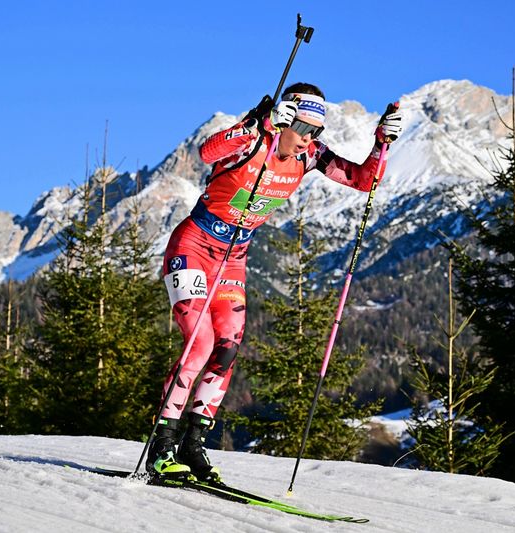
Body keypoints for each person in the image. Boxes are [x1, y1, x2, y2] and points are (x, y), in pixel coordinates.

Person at [147, 82, 403, 480]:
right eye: (303, 128)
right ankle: (161, 446)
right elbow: (205, 153)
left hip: (233, 259)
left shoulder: (310, 155)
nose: (308, 139)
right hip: (193, 247)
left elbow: (364, 180)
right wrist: (254, 124)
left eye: (316, 132)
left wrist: (380, 142)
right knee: (200, 344)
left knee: (228, 348)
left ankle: (193, 445)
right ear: (285, 119)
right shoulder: (251, 142)